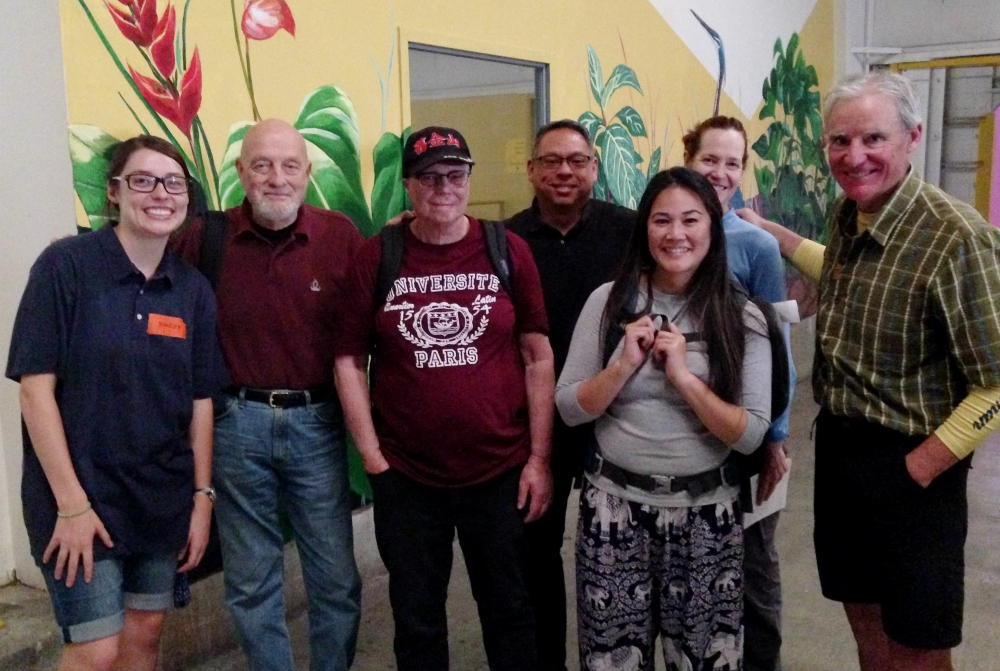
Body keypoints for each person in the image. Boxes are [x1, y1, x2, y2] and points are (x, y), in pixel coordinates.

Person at [738, 71, 1000, 671]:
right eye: (839, 142)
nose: (854, 157)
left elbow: (995, 383)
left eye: (873, 140)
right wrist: (771, 231)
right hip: (841, 452)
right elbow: (841, 268)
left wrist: (917, 469)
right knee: (866, 626)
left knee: (917, 642)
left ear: (912, 137)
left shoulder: (957, 238)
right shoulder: (851, 213)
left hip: (915, 461)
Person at [333, 126, 555, 671]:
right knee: (417, 619)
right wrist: (372, 459)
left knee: (509, 610)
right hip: (408, 479)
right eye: (429, 177)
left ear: (469, 179)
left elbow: (538, 355)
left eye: (456, 175)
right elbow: (346, 360)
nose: (444, 188)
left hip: (499, 471)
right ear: (408, 186)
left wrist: (539, 459)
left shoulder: (507, 250)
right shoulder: (378, 256)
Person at [6, 135, 226, 671]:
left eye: (173, 183)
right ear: (114, 193)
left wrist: (202, 498)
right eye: (143, 180)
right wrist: (72, 506)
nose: (160, 193)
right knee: (95, 648)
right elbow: (35, 391)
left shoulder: (191, 289)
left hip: (161, 496)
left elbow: (200, 402)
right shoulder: (65, 268)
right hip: (80, 500)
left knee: (144, 635)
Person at [556, 166, 772, 670]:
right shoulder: (608, 303)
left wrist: (684, 378)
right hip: (613, 511)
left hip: (707, 516)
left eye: (691, 220)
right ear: (645, 229)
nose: (676, 234)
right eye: (662, 220)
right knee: (612, 660)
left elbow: (750, 435)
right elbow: (568, 407)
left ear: (712, 230)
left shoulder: (741, 316)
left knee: (702, 660)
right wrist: (623, 365)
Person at [172, 119, 362, 671]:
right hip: (235, 423)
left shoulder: (340, 236)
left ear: (306, 172)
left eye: (288, 165)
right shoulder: (203, 239)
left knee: (335, 580)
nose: (276, 178)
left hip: (317, 423)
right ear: (241, 172)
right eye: (261, 165)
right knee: (252, 581)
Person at [504, 119, 635, 671]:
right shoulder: (503, 241)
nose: (564, 171)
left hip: (618, 414)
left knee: (618, 558)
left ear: (594, 168)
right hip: (538, 423)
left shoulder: (631, 232)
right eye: (551, 161)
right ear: (531, 169)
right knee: (534, 554)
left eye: (577, 160)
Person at [683, 115, 795, 671]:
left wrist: (775, 437)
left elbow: (780, 349)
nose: (721, 172)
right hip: (680, 437)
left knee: (753, 569)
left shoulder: (756, 247)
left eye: (732, 162)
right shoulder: (663, 232)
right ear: (688, 160)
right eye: (710, 159)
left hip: (747, 436)